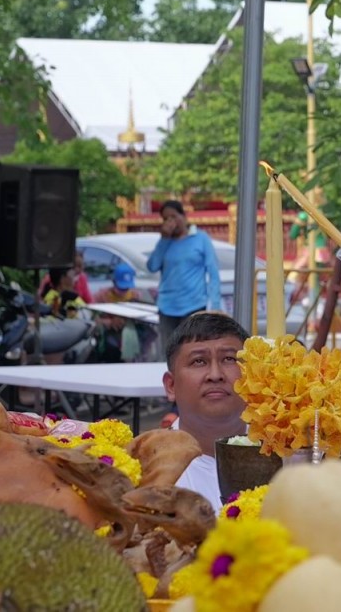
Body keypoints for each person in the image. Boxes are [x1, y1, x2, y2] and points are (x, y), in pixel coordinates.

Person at [163, 312, 250, 511]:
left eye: (229, 359)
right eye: (199, 361)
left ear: (253, 376)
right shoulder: (144, 468)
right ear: (171, 385)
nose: (215, 375)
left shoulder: (286, 457)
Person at [147, 200, 221, 347]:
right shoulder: (166, 242)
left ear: (183, 216)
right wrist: (164, 239)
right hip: (167, 306)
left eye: (173, 217)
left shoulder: (200, 238)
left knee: (192, 349)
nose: (170, 222)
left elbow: (213, 272)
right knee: (169, 351)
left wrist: (215, 304)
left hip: (194, 305)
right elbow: (152, 266)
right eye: (166, 219)